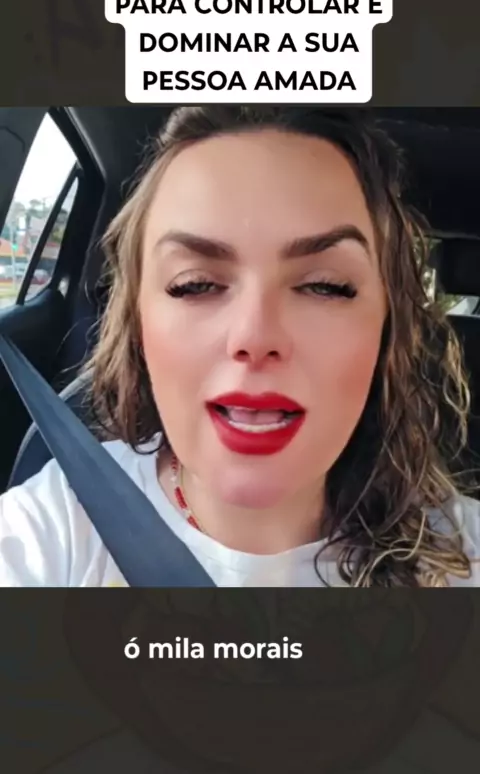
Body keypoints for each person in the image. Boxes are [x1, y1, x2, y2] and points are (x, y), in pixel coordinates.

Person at [0, 105, 479, 587]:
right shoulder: (51, 533)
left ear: (387, 328)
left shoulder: (463, 557)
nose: (255, 336)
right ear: (137, 321)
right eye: (194, 284)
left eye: (325, 286)